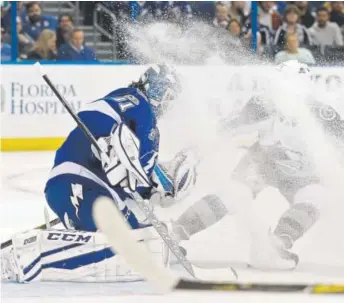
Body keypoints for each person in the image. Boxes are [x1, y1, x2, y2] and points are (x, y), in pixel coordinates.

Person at [1, 65, 229, 283]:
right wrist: (107, 141)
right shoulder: (141, 108)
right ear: (158, 89)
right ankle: (33, 258)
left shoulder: (134, 112)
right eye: (168, 96)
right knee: (133, 245)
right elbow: (99, 122)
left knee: (142, 240)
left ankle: (50, 249)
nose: (168, 105)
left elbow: (129, 172)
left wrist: (152, 185)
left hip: (75, 189)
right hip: (82, 187)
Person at [224, 60, 343, 270]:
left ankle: (276, 244)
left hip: (301, 172)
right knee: (233, 193)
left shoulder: (323, 113)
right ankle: (177, 232)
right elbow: (226, 129)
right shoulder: (261, 104)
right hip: (262, 163)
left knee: (317, 197)